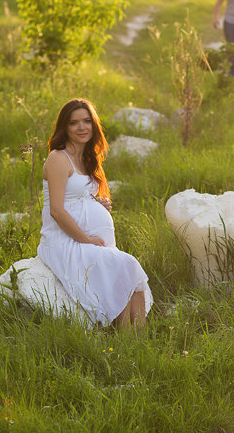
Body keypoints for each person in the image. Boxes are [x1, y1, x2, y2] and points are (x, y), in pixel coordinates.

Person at [37, 98, 152, 330]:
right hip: (64, 242)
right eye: (74, 123)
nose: (82, 127)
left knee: (131, 273)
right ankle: (126, 340)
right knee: (125, 265)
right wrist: (86, 239)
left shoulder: (87, 159)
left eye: (87, 121)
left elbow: (76, 197)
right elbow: (57, 211)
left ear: (94, 124)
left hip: (86, 240)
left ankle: (139, 341)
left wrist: (97, 204)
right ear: (64, 127)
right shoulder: (58, 158)